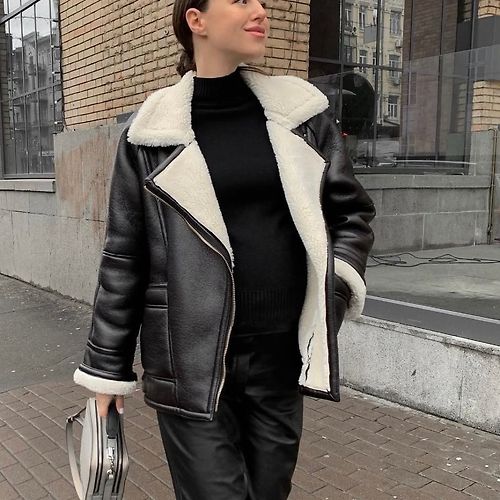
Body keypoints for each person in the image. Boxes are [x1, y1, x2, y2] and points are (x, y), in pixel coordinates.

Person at [73, 0, 376, 498]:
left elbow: (351, 214)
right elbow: (124, 257)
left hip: (280, 359)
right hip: (189, 363)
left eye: (261, 2)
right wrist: (106, 368)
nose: (260, 11)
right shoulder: (151, 132)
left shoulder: (301, 115)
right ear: (196, 20)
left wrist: (335, 292)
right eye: (240, 1)